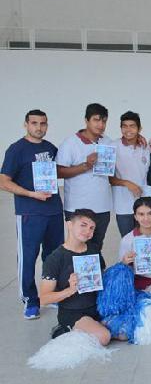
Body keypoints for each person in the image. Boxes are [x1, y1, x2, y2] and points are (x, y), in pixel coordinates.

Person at [0, 109, 65, 320]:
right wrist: (30, 194)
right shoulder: (16, 150)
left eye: (43, 123)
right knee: (28, 258)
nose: (39, 127)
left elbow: (62, 171)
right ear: (26, 124)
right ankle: (30, 299)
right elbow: (4, 181)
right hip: (30, 212)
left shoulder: (50, 148)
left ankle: (51, 295)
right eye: (34, 123)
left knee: (54, 257)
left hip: (54, 211)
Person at [40, 209, 110, 344]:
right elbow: (43, 299)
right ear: (69, 225)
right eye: (83, 225)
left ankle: (92, 327)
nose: (88, 231)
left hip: (97, 307)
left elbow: (103, 276)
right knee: (104, 337)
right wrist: (70, 290)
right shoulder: (55, 258)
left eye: (91, 228)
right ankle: (63, 329)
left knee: (125, 333)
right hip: (74, 312)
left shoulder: (93, 250)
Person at [55, 103, 114, 252]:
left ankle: (93, 275)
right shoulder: (70, 143)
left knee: (96, 247)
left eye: (104, 121)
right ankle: (73, 276)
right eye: (96, 120)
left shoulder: (107, 142)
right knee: (76, 248)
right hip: (77, 207)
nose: (101, 125)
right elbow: (58, 172)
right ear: (86, 120)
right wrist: (85, 165)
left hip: (102, 207)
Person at [110, 111, 150, 238]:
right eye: (124, 126)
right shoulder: (112, 147)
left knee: (145, 243)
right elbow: (107, 178)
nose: (128, 129)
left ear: (139, 128)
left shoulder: (146, 147)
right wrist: (126, 183)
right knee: (128, 242)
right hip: (123, 206)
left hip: (145, 205)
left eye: (132, 126)